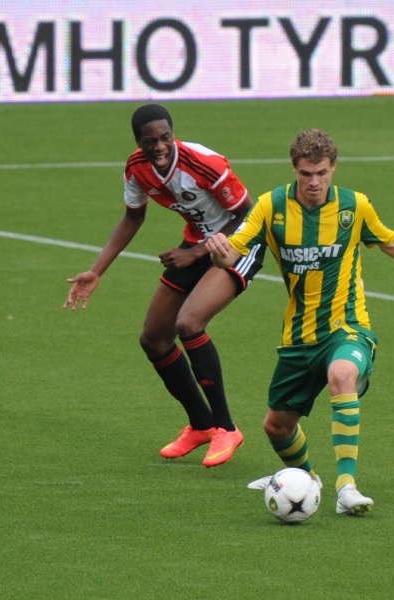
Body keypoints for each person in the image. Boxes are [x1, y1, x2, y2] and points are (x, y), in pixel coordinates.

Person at [206, 129, 394, 513]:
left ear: (333, 167)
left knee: (342, 375)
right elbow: (231, 252)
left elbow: (391, 242)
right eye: (306, 174)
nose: (314, 182)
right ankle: (307, 480)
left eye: (321, 172)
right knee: (276, 428)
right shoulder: (271, 206)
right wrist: (218, 252)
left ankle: (346, 488)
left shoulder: (355, 206)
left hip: (347, 326)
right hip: (299, 336)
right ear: (294, 169)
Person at [63, 104, 265, 467]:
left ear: (174, 134)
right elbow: (132, 216)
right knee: (154, 338)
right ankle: (201, 425)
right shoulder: (136, 169)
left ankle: (226, 428)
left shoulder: (205, 164)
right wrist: (97, 271)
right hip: (197, 245)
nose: (159, 146)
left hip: (241, 243)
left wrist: (200, 251)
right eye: (149, 140)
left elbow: (249, 214)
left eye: (165, 137)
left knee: (188, 323)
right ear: (137, 142)